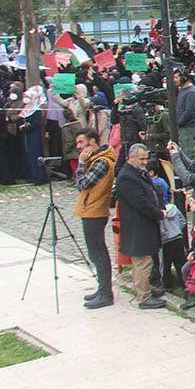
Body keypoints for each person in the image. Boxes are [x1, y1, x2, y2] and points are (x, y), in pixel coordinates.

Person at [114, 143, 167, 310]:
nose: (145, 162)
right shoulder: (126, 176)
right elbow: (140, 202)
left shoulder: (136, 172)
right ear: (131, 156)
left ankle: (143, 291)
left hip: (142, 224)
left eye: (146, 158)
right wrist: (159, 213)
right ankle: (144, 297)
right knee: (143, 261)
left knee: (142, 261)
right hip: (138, 225)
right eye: (141, 158)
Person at [73, 128, 117, 310]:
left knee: (98, 253)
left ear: (92, 143)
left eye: (81, 143)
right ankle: (102, 289)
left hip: (95, 211)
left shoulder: (101, 162)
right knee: (95, 252)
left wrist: (81, 163)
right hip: (90, 210)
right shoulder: (96, 160)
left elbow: (82, 184)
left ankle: (106, 293)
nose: (78, 147)